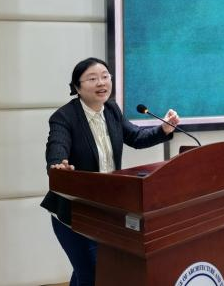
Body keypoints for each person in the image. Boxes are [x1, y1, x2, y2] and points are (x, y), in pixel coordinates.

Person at [40, 57, 179, 286]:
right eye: (92, 78)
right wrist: (58, 165)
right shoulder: (64, 117)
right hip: (73, 212)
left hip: (106, 210)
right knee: (92, 274)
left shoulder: (112, 109)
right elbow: (56, 146)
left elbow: (135, 137)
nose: (101, 83)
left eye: (105, 76)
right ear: (77, 87)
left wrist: (163, 128)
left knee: (90, 271)